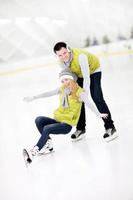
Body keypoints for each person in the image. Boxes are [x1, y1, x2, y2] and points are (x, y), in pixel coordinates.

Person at [23, 69, 108, 164]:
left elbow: (88, 103)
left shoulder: (80, 93)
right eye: (62, 81)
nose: (64, 83)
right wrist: (34, 97)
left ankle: (34, 152)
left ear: (72, 79)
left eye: (66, 80)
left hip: (67, 125)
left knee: (46, 128)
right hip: (58, 120)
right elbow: (49, 93)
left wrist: (98, 114)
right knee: (39, 120)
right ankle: (48, 145)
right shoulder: (63, 89)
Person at [53, 41, 117, 142]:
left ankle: (110, 127)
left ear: (68, 49)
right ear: (57, 55)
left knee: (97, 97)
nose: (63, 56)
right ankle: (81, 129)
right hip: (78, 74)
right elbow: (70, 77)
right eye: (60, 55)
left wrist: (85, 93)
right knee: (77, 99)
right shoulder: (61, 62)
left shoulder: (80, 56)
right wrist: (72, 90)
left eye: (65, 53)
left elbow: (86, 77)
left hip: (93, 71)